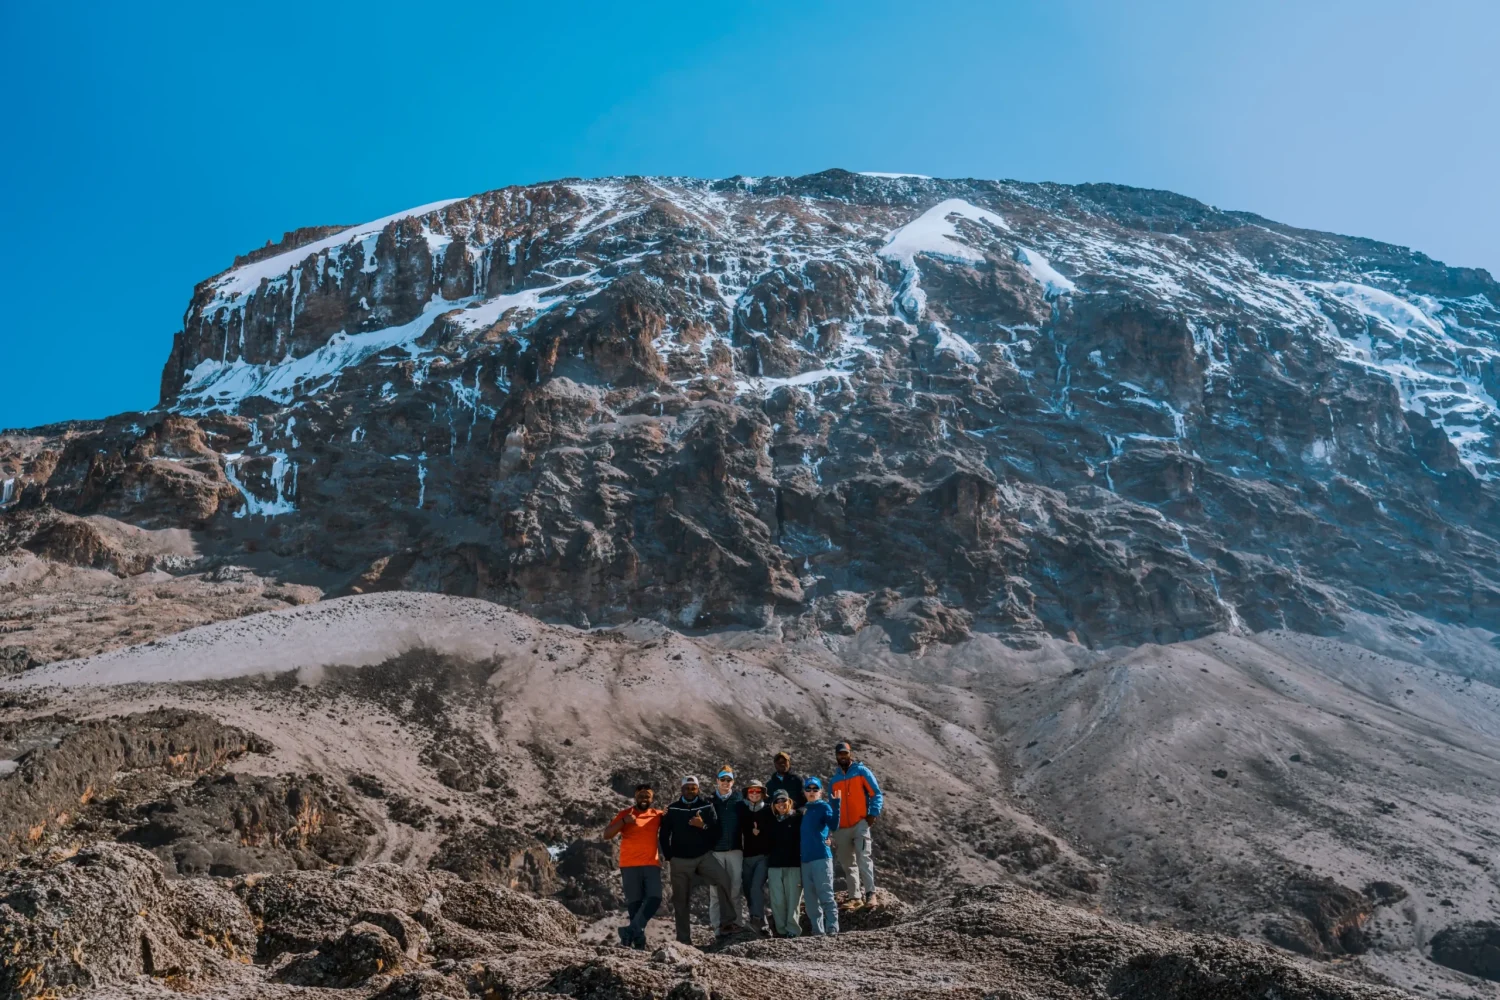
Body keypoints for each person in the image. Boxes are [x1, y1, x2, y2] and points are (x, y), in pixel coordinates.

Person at [659, 775, 738, 944]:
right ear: (682, 790)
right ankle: (684, 940)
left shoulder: (706, 807)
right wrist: (669, 856)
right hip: (680, 860)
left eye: (693, 788)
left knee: (723, 879)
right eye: (687, 788)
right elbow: (664, 834)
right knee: (681, 900)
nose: (690, 791)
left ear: (698, 789)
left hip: (703, 857)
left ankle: (727, 923)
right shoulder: (672, 809)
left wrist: (702, 826)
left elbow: (716, 831)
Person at [602, 784, 664, 949]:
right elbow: (607, 835)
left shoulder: (658, 815)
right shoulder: (625, 814)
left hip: (651, 863)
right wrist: (624, 821)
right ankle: (639, 943)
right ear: (635, 797)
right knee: (634, 906)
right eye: (641, 796)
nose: (644, 799)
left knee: (655, 897)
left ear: (652, 798)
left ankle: (629, 931)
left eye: (647, 796)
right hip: (629, 865)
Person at [828, 740, 883, 907]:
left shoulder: (861, 771)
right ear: (836, 756)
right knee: (847, 863)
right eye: (840, 754)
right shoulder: (834, 780)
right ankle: (855, 897)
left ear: (850, 754)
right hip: (841, 828)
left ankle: (870, 894)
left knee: (863, 858)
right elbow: (832, 806)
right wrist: (832, 827)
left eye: (845, 753)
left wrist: (873, 813)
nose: (843, 756)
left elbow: (876, 794)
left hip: (860, 823)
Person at [799, 776, 841, 936]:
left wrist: (836, 804)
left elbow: (834, 825)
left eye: (815, 789)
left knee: (825, 894)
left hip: (821, 858)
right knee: (810, 901)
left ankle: (832, 927)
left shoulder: (824, 807)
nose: (811, 792)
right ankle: (817, 931)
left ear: (820, 791)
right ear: (804, 792)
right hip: (805, 860)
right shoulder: (804, 810)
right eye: (808, 789)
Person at [707, 767, 744, 930]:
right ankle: (717, 926)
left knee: (735, 890)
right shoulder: (709, 801)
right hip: (715, 852)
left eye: (729, 780)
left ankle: (736, 924)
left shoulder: (739, 800)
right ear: (717, 781)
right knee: (715, 892)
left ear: (733, 782)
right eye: (723, 779)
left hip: (735, 850)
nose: (725, 783)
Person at [766, 789, 804, 937]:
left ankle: (793, 931)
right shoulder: (770, 821)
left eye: (784, 800)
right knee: (777, 901)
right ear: (773, 805)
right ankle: (781, 931)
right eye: (777, 801)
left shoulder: (798, 818)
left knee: (793, 900)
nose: (781, 804)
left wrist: (827, 838)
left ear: (789, 802)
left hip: (794, 865)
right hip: (774, 866)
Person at [736, 779, 773, 933]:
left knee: (756, 887)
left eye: (758, 791)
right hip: (746, 857)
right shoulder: (742, 810)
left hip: (763, 856)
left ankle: (757, 919)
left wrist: (761, 833)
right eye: (751, 791)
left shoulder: (769, 810)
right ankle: (757, 919)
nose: (754, 794)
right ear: (747, 794)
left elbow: (775, 832)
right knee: (747, 888)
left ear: (763, 793)